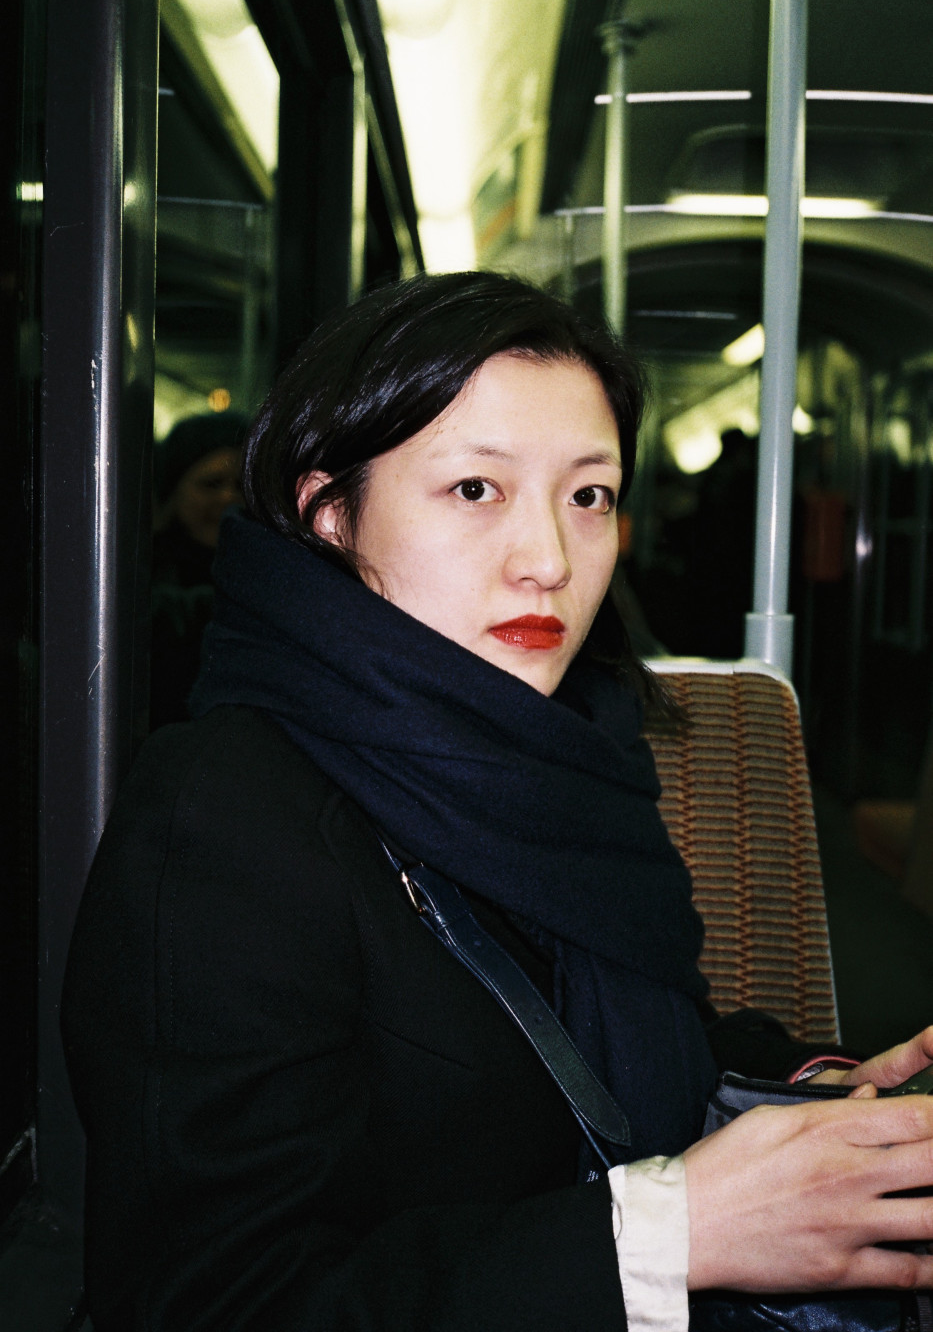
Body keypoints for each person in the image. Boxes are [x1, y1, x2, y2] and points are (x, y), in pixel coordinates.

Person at [62, 273, 933, 1332]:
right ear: (329, 511)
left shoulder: (563, 757)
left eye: (589, 496)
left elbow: (615, 1020)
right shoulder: (226, 816)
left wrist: (817, 1092)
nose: (549, 560)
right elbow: (210, 1298)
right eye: (476, 488)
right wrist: (671, 1233)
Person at [150, 410, 246, 727]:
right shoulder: (140, 576)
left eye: (240, 486)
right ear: (173, 489)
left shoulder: (264, 579)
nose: (228, 498)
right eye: (211, 484)